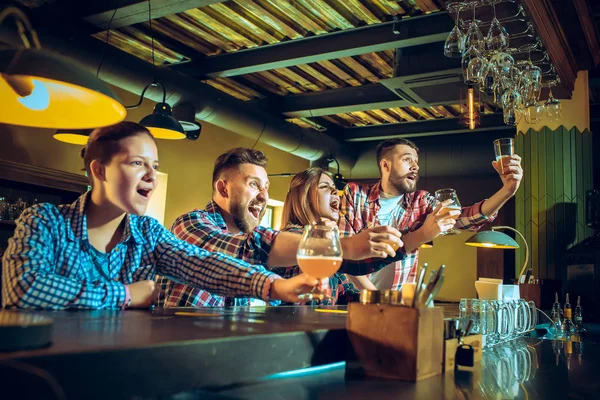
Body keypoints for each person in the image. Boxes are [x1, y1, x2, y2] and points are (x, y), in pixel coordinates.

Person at [1, 122, 321, 310]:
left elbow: (202, 265)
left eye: (154, 166)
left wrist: (276, 288)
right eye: (138, 163)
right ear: (99, 170)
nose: (152, 177)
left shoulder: (148, 233)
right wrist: (126, 294)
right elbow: (22, 289)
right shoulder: (44, 220)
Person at [157, 148, 403, 307]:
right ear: (224, 189)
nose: (264, 195)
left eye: (266, 187)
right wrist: (344, 246)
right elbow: (245, 249)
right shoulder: (191, 224)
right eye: (254, 185)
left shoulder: (264, 244)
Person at [339, 137, 523, 290]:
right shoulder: (355, 194)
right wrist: (376, 298)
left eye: (416, 162)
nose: (415, 167)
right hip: (351, 299)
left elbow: (466, 218)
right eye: (407, 160)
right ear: (385, 166)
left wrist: (506, 191)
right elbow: (344, 255)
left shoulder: (421, 201)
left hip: (398, 303)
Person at [277, 167, 378, 305]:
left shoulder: (329, 242)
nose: (336, 191)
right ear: (304, 197)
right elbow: (307, 300)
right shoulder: (292, 237)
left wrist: (381, 299)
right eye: (324, 186)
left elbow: (345, 294)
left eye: (334, 188)